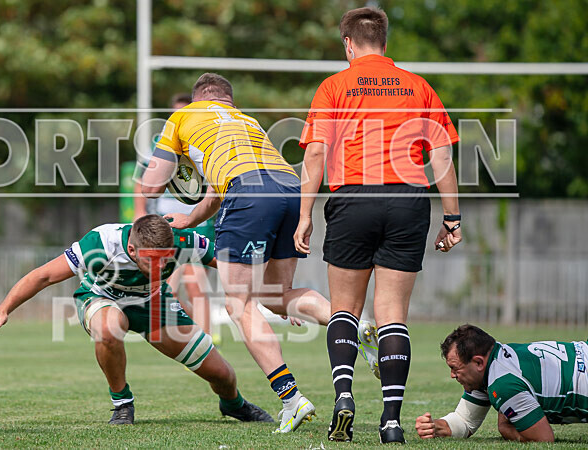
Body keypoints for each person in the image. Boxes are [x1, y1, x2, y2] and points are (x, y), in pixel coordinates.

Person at [141, 72, 358, 433]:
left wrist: (179, 163)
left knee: (238, 304)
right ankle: (356, 325)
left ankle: (291, 398)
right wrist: (191, 219)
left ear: (197, 99)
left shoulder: (181, 117)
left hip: (247, 194)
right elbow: (217, 192)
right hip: (291, 190)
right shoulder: (246, 121)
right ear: (228, 100)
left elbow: (151, 185)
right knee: (277, 295)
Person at [293, 6, 462, 443]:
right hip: (408, 201)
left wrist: (304, 214)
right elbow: (441, 155)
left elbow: (315, 153)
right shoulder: (418, 86)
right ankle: (391, 421)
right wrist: (452, 218)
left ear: (348, 43)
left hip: (353, 199)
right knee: (392, 316)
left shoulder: (334, 86)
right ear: (385, 43)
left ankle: (344, 397)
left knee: (345, 310)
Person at [0, 215, 273, 426]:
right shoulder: (101, 243)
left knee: (222, 374)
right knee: (108, 328)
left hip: (154, 302)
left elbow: (232, 266)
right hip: (102, 297)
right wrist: (3, 308)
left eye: (165, 259)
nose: (160, 266)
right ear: (132, 250)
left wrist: (275, 299)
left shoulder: (183, 241)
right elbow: (44, 276)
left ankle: (234, 405)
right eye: (152, 260)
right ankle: (122, 403)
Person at [415, 324, 588, 443]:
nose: (452, 375)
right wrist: (435, 427)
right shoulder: (492, 365)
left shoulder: (502, 383)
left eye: (455, 368)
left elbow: (543, 438)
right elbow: (464, 421)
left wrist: (506, 428)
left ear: (478, 362)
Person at [134, 93, 217, 339]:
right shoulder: (160, 141)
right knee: (169, 283)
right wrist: (140, 211)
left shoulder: (204, 140)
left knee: (195, 280)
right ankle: (193, 330)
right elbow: (141, 179)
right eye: (176, 112)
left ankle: (205, 338)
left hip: (199, 219)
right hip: (166, 219)